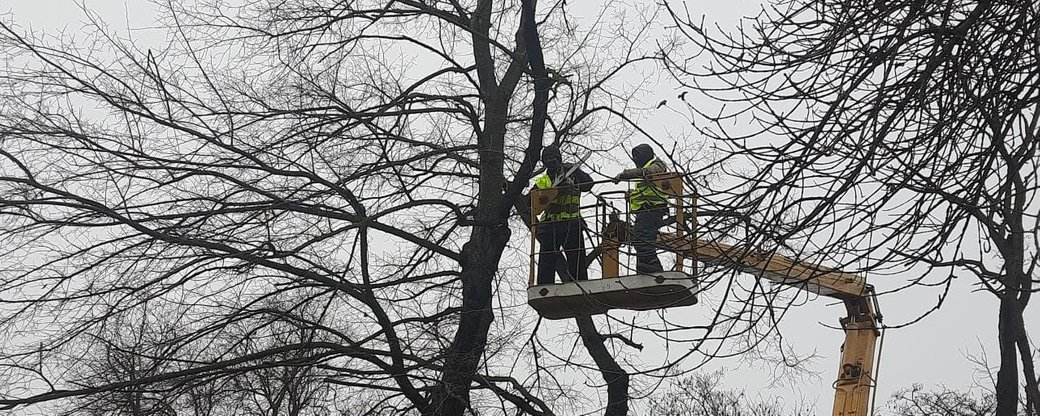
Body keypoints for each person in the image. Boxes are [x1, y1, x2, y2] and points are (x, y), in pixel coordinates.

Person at [533, 145, 593, 285]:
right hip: (549, 226)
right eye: (547, 158)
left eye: (553, 157)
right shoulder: (543, 181)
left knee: (576, 258)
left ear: (559, 158)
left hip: (571, 223)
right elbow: (531, 202)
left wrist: (575, 171)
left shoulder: (572, 174)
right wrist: (546, 195)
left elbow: (589, 184)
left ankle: (580, 285)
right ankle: (545, 286)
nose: (551, 160)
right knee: (546, 260)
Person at [613, 144, 669, 274]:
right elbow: (645, 189)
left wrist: (625, 174)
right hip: (645, 208)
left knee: (641, 237)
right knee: (641, 237)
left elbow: (649, 174)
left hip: (652, 208)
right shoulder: (646, 167)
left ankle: (653, 266)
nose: (635, 159)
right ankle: (646, 266)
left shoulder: (657, 165)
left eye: (637, 156)